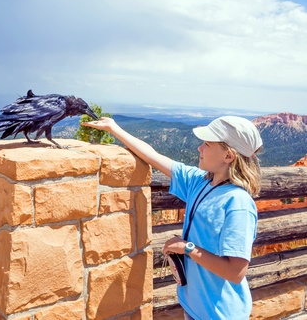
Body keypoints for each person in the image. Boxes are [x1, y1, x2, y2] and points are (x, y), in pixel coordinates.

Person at [83, 115, 263, 320]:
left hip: (221, 314)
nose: (200, 149)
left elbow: (236, 272)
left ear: (228, 156)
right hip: (197, 308)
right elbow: (152, 156)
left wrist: (187, 248)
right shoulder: (201, 182)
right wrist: (114, 128)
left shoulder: (238, 203)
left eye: (206, 144)